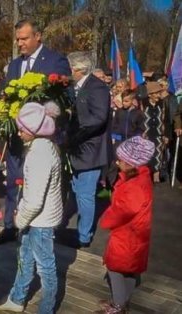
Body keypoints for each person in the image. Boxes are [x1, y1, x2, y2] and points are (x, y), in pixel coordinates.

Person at [0, 19, 71, 245]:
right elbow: (6, 95)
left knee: (39, 184)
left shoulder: (56, 61)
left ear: (38, 36)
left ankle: (39, 229)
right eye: (17, 39)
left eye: (24, 38)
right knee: (14, 181)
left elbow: (66, 97)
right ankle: (10, 227)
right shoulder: (15, 65)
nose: (20, 43)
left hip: (44, 139)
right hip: (17, 137)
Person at [0, 101, 62, 313]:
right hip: (34, 218)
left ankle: (46, 308)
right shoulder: (42, 147)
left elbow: (35, 200)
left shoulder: (39, 154)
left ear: (34, 130)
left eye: (22, 129)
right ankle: (17, 298)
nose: (19, 132)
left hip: (40, 221)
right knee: (25, 258)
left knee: (45, 267)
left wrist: (19, 220)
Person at [96, 136, 155, 314]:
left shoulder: (135, 185)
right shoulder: (137, 179)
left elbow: (123, 209)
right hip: (134, 233)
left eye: (120, 159)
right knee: (130, 270)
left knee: (115, 268)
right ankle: (123, 300)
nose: (117, 161)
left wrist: (106, 218)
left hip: (128, 235)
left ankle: (118, 306)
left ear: (131, 163)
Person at [64, 51, 111, 248]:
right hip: (78, 148)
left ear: (77, 69)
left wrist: (75, 130)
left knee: (85, 195)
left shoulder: (97, 87)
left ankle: (83, 236)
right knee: (77, 191)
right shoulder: (77, 86)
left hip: (90, 149)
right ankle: (79, 230)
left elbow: (99, 118)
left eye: (68, 68)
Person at [142, 82, 170, 183]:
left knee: (158, 157)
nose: (159, 95)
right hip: (145, 135)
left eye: (159, 93)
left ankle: (156, 178)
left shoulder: (162, 104)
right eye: (156, 93)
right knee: (146, 157)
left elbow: (166, 120)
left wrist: (166, 135)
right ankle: (146, 178)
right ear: (150, 94)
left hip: (159, 135)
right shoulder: (142, 104)